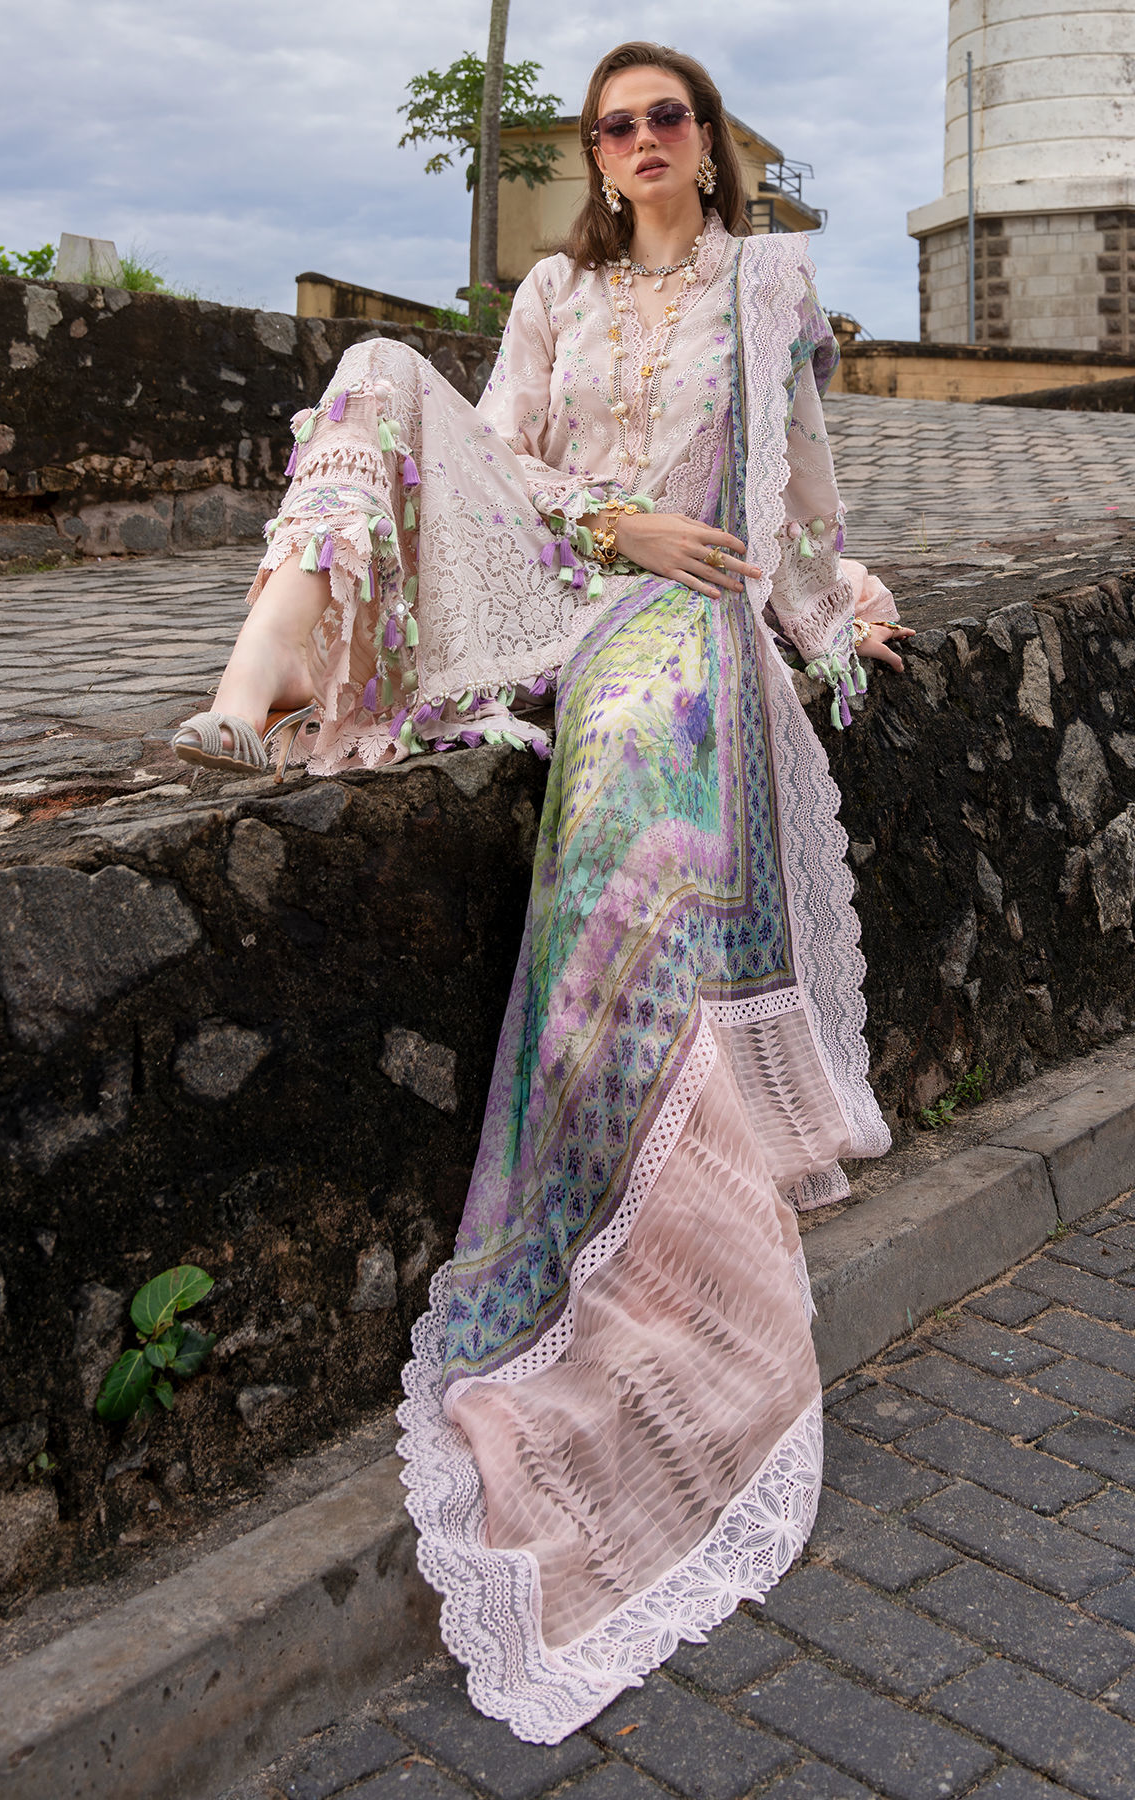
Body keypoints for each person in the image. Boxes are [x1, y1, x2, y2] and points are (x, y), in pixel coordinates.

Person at [174, 40, 910, 1745]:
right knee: (377, 370)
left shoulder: (767, 289)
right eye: (613, 125)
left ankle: (608, 1229)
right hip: (563, 580)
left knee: (624, 806)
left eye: (667, 117)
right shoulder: (556, 297)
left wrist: (835, 607)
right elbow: (498, 461)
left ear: (709, 144)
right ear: (595, 153)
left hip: (684, 624)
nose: (640, 140)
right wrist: (620, 521)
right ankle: (246, 685)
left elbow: (800, 500)